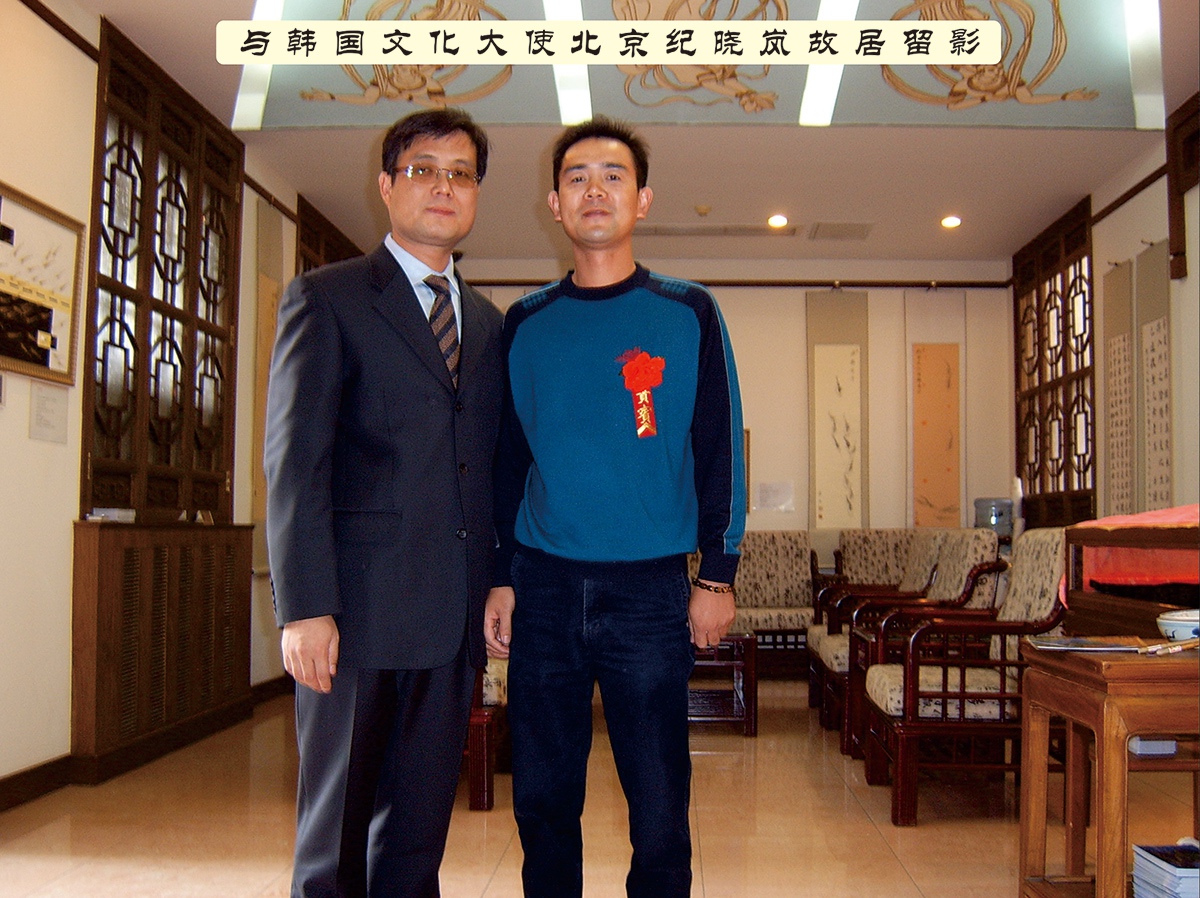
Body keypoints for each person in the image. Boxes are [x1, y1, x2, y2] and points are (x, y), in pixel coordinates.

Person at [483, 116, 746, 897]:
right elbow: (506, 460)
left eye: (612, 176)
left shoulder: (687, 311)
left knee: (659, 804)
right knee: (541, 799)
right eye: (576, 178)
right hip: (543, 587)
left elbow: (719, 445)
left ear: (643, 199)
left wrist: (717, 576)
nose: (594, 190)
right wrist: (499, 575)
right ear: (555, 205)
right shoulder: (526, 322)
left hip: (650, 593)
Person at [264, 107, 504, 898]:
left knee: (415, 839)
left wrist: (498, 579)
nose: (443, 186)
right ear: (387, 185)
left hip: (450, 621)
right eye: (423, 169)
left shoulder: (489, 325)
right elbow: (295, 464)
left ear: (476, 195)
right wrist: (305, 608)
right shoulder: (326, 298)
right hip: (354, 619)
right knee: (336, 837)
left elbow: (488, 467)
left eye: (461, 174)